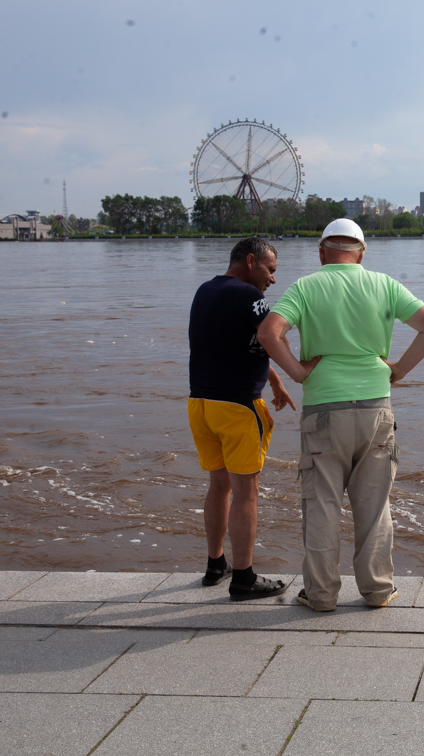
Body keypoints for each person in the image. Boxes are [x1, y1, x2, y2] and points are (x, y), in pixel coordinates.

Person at [259, 219, 424, 611]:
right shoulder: (384, 284)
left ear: (322, 252)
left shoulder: (307, 286)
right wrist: (398, 370)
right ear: (361, 253)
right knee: (375, 507)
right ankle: (378, 591)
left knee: (322, 504)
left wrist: (297, 372)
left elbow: (268, 333)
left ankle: (322, 595)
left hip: (324, 409)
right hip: (377, 407)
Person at [188, 236, 294, 600]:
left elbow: (246, 344)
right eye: (270, 269)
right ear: (251, 261)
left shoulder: (206, 290)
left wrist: (276, 384)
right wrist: (297, 371)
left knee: (218, 486)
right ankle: (244, 577)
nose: (273, 279)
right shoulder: (248, 297)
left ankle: (216, 565)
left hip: (201, 404)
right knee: (246, 493)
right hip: (237, 408)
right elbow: (271, 335)